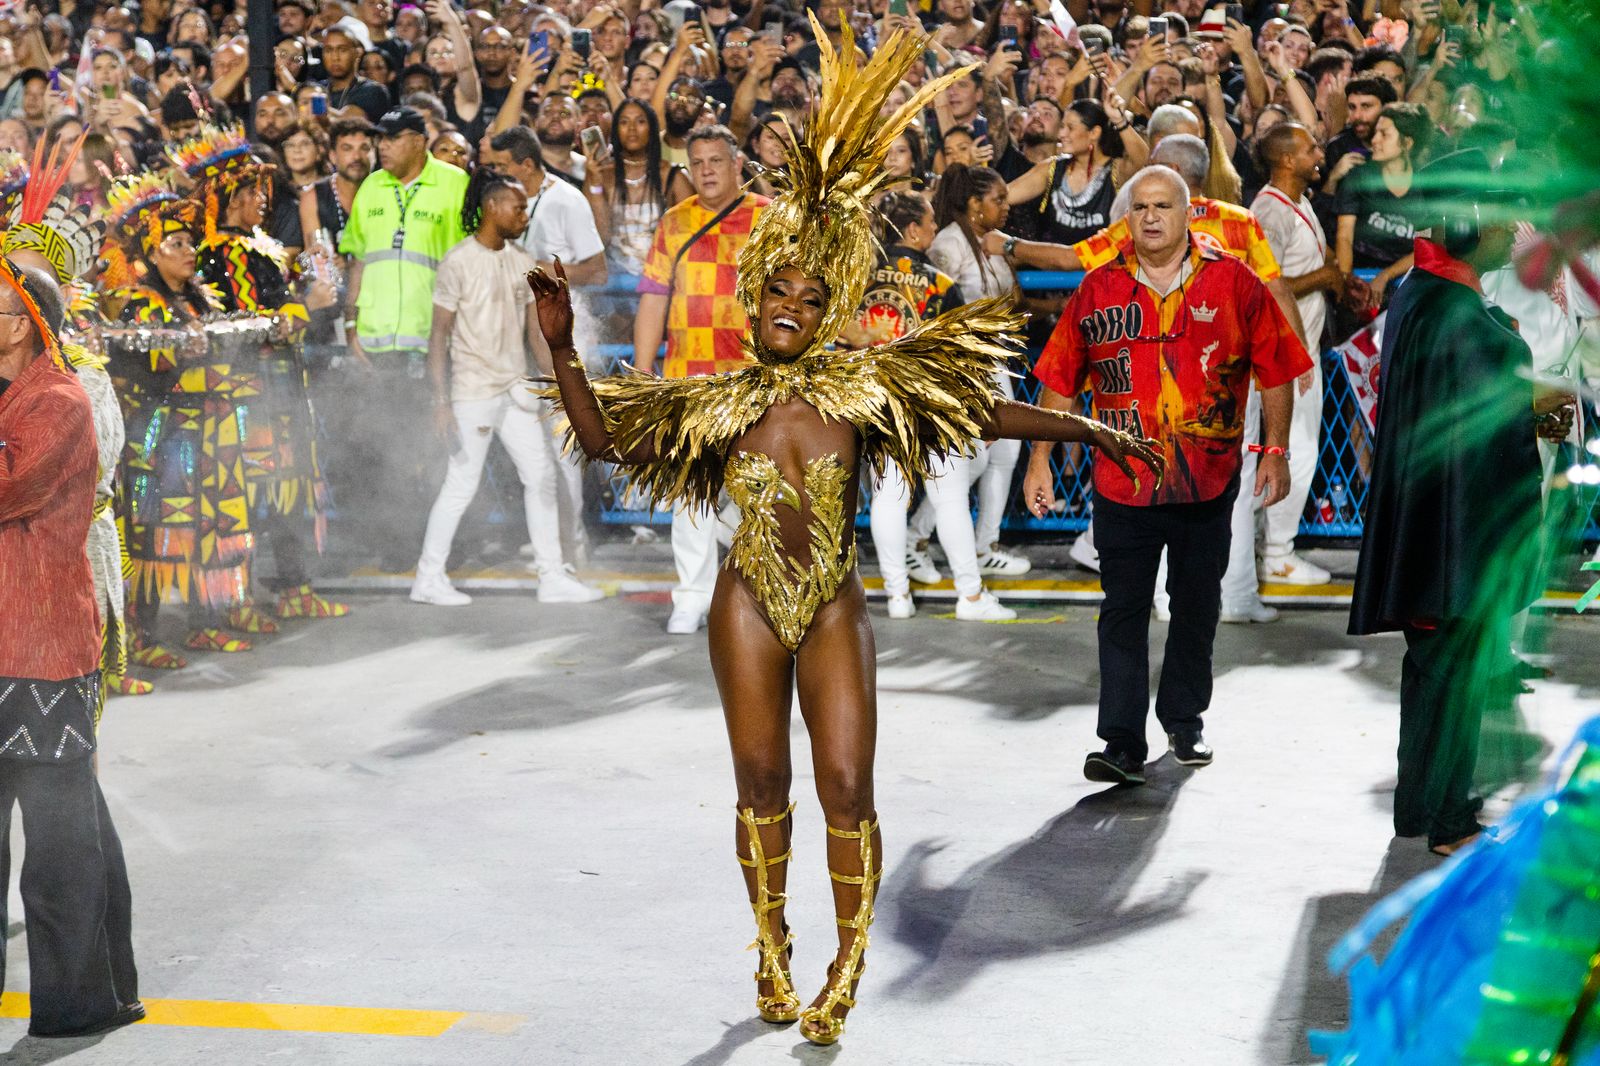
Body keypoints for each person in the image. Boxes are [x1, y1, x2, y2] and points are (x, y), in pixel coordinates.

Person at [527, 23, 1160, 1045]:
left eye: (809, 297)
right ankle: (772, 947)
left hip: (829, 602)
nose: (790, 305)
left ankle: (845, 963)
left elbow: (982, 411)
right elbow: (603, 441)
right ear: (755, 300)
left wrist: (1089, 426)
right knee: (761, 782)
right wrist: (560, 349)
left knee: (847, 785)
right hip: (743, 603)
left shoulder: (864, 389)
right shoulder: (717, 399)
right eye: (777, 291)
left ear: (827, 312)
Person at [1024, 163, 1311, 786]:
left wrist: (1277, 450)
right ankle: (1121, 742)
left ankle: (1184, 720)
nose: (1151, 216)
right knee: (1122, 608)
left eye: (1163, 206)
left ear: (1187, 214)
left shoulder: (1234, 282)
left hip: (1205, 480)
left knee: (1197, 604)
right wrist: (1042, 459)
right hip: (1121, 481)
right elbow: (1059, 383)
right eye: (1140, 207)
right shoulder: (1098, 290)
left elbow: (1278, 368)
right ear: (1128, 217)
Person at [1349, 152, 1574, 857]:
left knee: (1432, 675)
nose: (1515, 230)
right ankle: (1450, 822)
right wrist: (1553, 406)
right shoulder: (1470, 321)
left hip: (1432, 531)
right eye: (1503, 214)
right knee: (1454, 684)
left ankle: (1422, 808)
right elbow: (1511, 437)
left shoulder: (1422, 295)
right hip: (1457, 541)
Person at [0, 254, 144, 1038]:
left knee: (60, 847)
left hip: (42, 648)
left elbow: (9, 488)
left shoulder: (58, 400)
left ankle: (79, 1002)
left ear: (21, 322)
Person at [411, 166, 602, 607]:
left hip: (515, 390)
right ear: (491, 207)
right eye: (518, 207)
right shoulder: (458, 261)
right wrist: (440, 401)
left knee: (541, 479)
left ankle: (551, 576)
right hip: (472, 392)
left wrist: (557, 388)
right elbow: (437, 336)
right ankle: (428, 576)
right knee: (462, 483)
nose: (525, 215)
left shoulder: (522, 264)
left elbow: (535, 335)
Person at [632, 124, 770, 635]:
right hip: (687, 378)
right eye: (699, 162)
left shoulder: (768, 218)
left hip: (752, 378)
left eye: (717, 159)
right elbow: (653, 299)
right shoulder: (673, 222)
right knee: (693, 491)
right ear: (689, 170)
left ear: (738, 164)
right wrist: (644, 373)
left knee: (756, 488)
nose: (708, 170)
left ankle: (763, 583)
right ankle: (691, 596)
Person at [855, 189, 1012, 621]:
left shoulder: (860, 280)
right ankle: (970, 595)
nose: (933, 229)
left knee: (888, 498)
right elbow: (964, 353)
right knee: (950, 499)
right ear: (911, 231)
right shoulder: (940, 285)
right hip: (932, 406)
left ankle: (897, 597)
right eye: (927, 222)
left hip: (879, 405)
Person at [338, 105, 470, 570]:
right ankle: (393, 546)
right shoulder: (372, 186)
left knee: (431, 448)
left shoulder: (455, 184)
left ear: (419, 139)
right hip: (376, 344)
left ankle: (438, 550)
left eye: (392, 138)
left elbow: (465, 265)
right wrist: (350, 326)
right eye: (381, 139)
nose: (382, 147)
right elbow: (357, 258)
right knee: (381, 447)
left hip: (430, 343)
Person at [915, 162, 1032, 581]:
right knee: (975, 458)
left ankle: (986, 545)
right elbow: (934, 304)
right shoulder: (949, 242)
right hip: (968, 364)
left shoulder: (993, 243)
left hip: (997, 360)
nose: (1006, 207)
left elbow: (1007, 303)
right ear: (973, 203)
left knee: (1004, 454)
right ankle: (917, 537)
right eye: (997, 200)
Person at [1250, 122, 1345, 586]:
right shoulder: (1269, 211)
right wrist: (1325, 280)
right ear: (1287, 160)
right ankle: (1276, 553)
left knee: (1298, 451)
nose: (1318, 153)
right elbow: (1267, 285)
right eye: (1309, 148)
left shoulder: (1299, 201)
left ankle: (1266, 551)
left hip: (1302, 349)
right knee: (1295, 452)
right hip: (1286, 357)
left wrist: (1336, 278)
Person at [584, 98, 692, 277]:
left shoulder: (673, 176)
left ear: (652, 128)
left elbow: (690, 239)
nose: (632, 128)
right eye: (624, 122)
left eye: (640, 121)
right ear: (616, 130)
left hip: (661, 281)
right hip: (612, 286)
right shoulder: (601, 174)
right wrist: (594, 183)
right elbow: (599, 239)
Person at [1335, 101, 1429, 309]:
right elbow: (1344, 235)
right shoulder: (1359, 178)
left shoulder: (1426, 189)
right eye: (1376, 132)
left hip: (1403, 288)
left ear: (1407, 143)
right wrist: (1348, 282)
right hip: (1360, 281)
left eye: (1384, 134)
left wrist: (1386, 276)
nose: (1375, 140)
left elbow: (1424, 247)